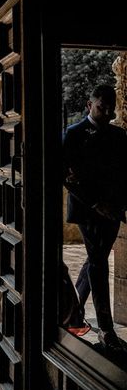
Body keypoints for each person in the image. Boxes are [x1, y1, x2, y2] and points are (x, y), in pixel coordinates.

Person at [63, 84, 127, 353]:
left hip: (113, 209)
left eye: (111, 107)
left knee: (95, 258)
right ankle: (106, 329)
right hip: (87, 210)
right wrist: (95, 203)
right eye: (102, 107)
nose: (108, 112)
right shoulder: (74, 133)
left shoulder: (119, 134)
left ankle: (72, 313)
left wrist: (117, 204)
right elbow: (67, 176)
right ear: (90, 105)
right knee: (99, 263)